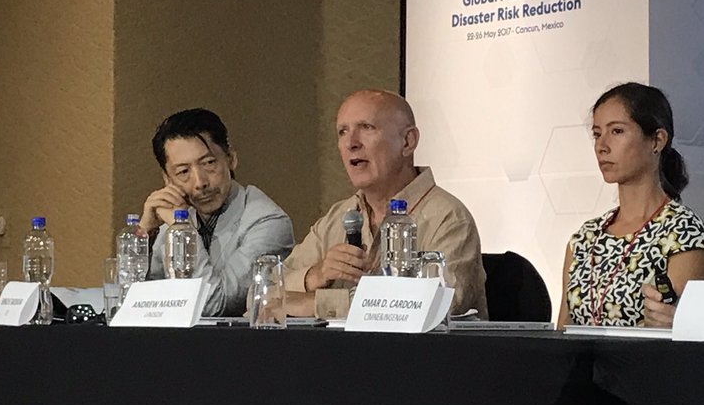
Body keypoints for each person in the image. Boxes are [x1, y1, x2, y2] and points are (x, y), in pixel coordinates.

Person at [282, 89, 487, 318]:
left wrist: (318, 304)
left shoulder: (448, 218)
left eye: (366, 127)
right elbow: (263, 293)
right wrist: (315, 276)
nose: (351, 143)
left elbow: (436, 306)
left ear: (408, 141)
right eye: (342, 131)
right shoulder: (339, 216)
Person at [558, 83, 704, 328]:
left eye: (617, 131)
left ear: (657, 141)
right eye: (597, 134)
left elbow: (683, 336)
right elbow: (562, 332)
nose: (602, 146)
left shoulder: (684, 234)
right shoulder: (584, 239)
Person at [138, 108, 295, 316]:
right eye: (183, 172)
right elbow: (129, 305)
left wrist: (183, 232)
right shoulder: (175, 217)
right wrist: (145, 234)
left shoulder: (268, 222)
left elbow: (214, 305)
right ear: (168, 179)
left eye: (208, 163)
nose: (200, 182)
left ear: (231, 159)